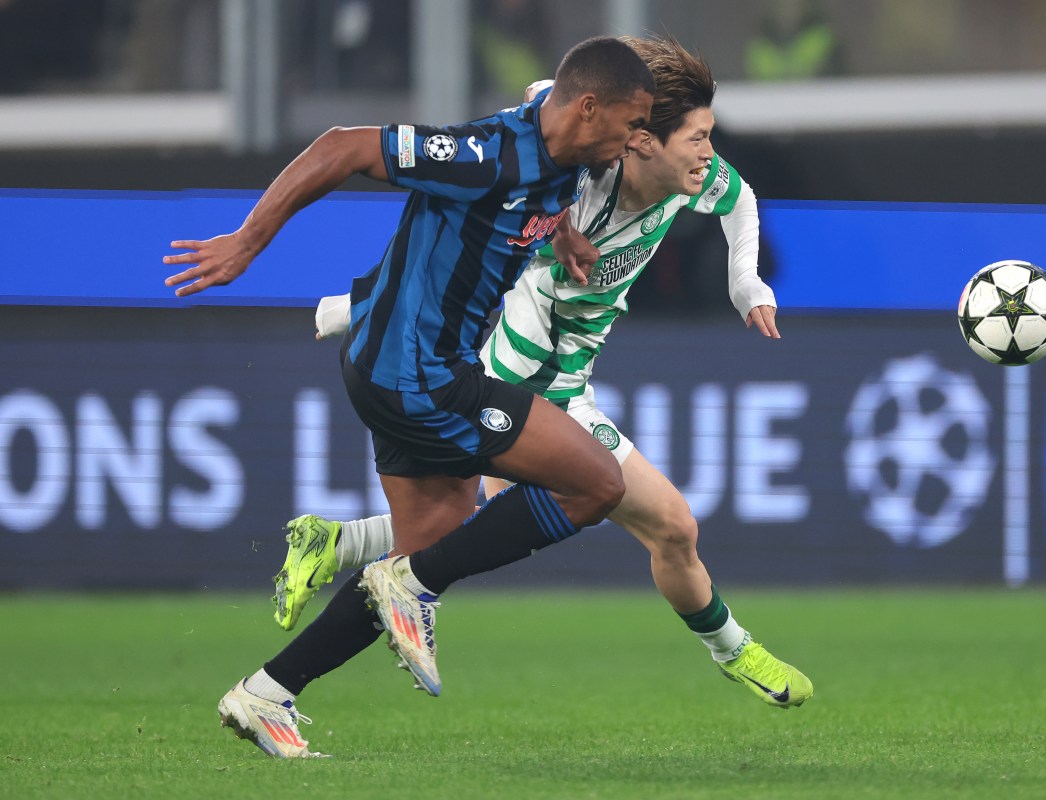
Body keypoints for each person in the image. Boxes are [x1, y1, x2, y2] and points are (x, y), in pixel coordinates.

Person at [274, 35, 813, 717]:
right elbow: (532, 119)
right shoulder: (585, 166)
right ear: (640, 138)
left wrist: (746, 281)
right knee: (525, 520)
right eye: (699, 138)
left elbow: (741, 200)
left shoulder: (692, 178)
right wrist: (356, 305)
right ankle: (734, 651)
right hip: (516, 369)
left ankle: (333, 556)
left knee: (641, 527)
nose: (711, 154)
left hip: (568, 381)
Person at [164, 35, 655, 759]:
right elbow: (343, 146)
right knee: (597, 484)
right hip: (419, 376)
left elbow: (537, 140)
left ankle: (267, 692)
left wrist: (565, 237)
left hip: (393, 368)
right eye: (632, 121)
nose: (637, 138)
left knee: (435, 538)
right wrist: (247, 241)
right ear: (589, 108)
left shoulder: (566, 153)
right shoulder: (488, 154)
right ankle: (411, 585)